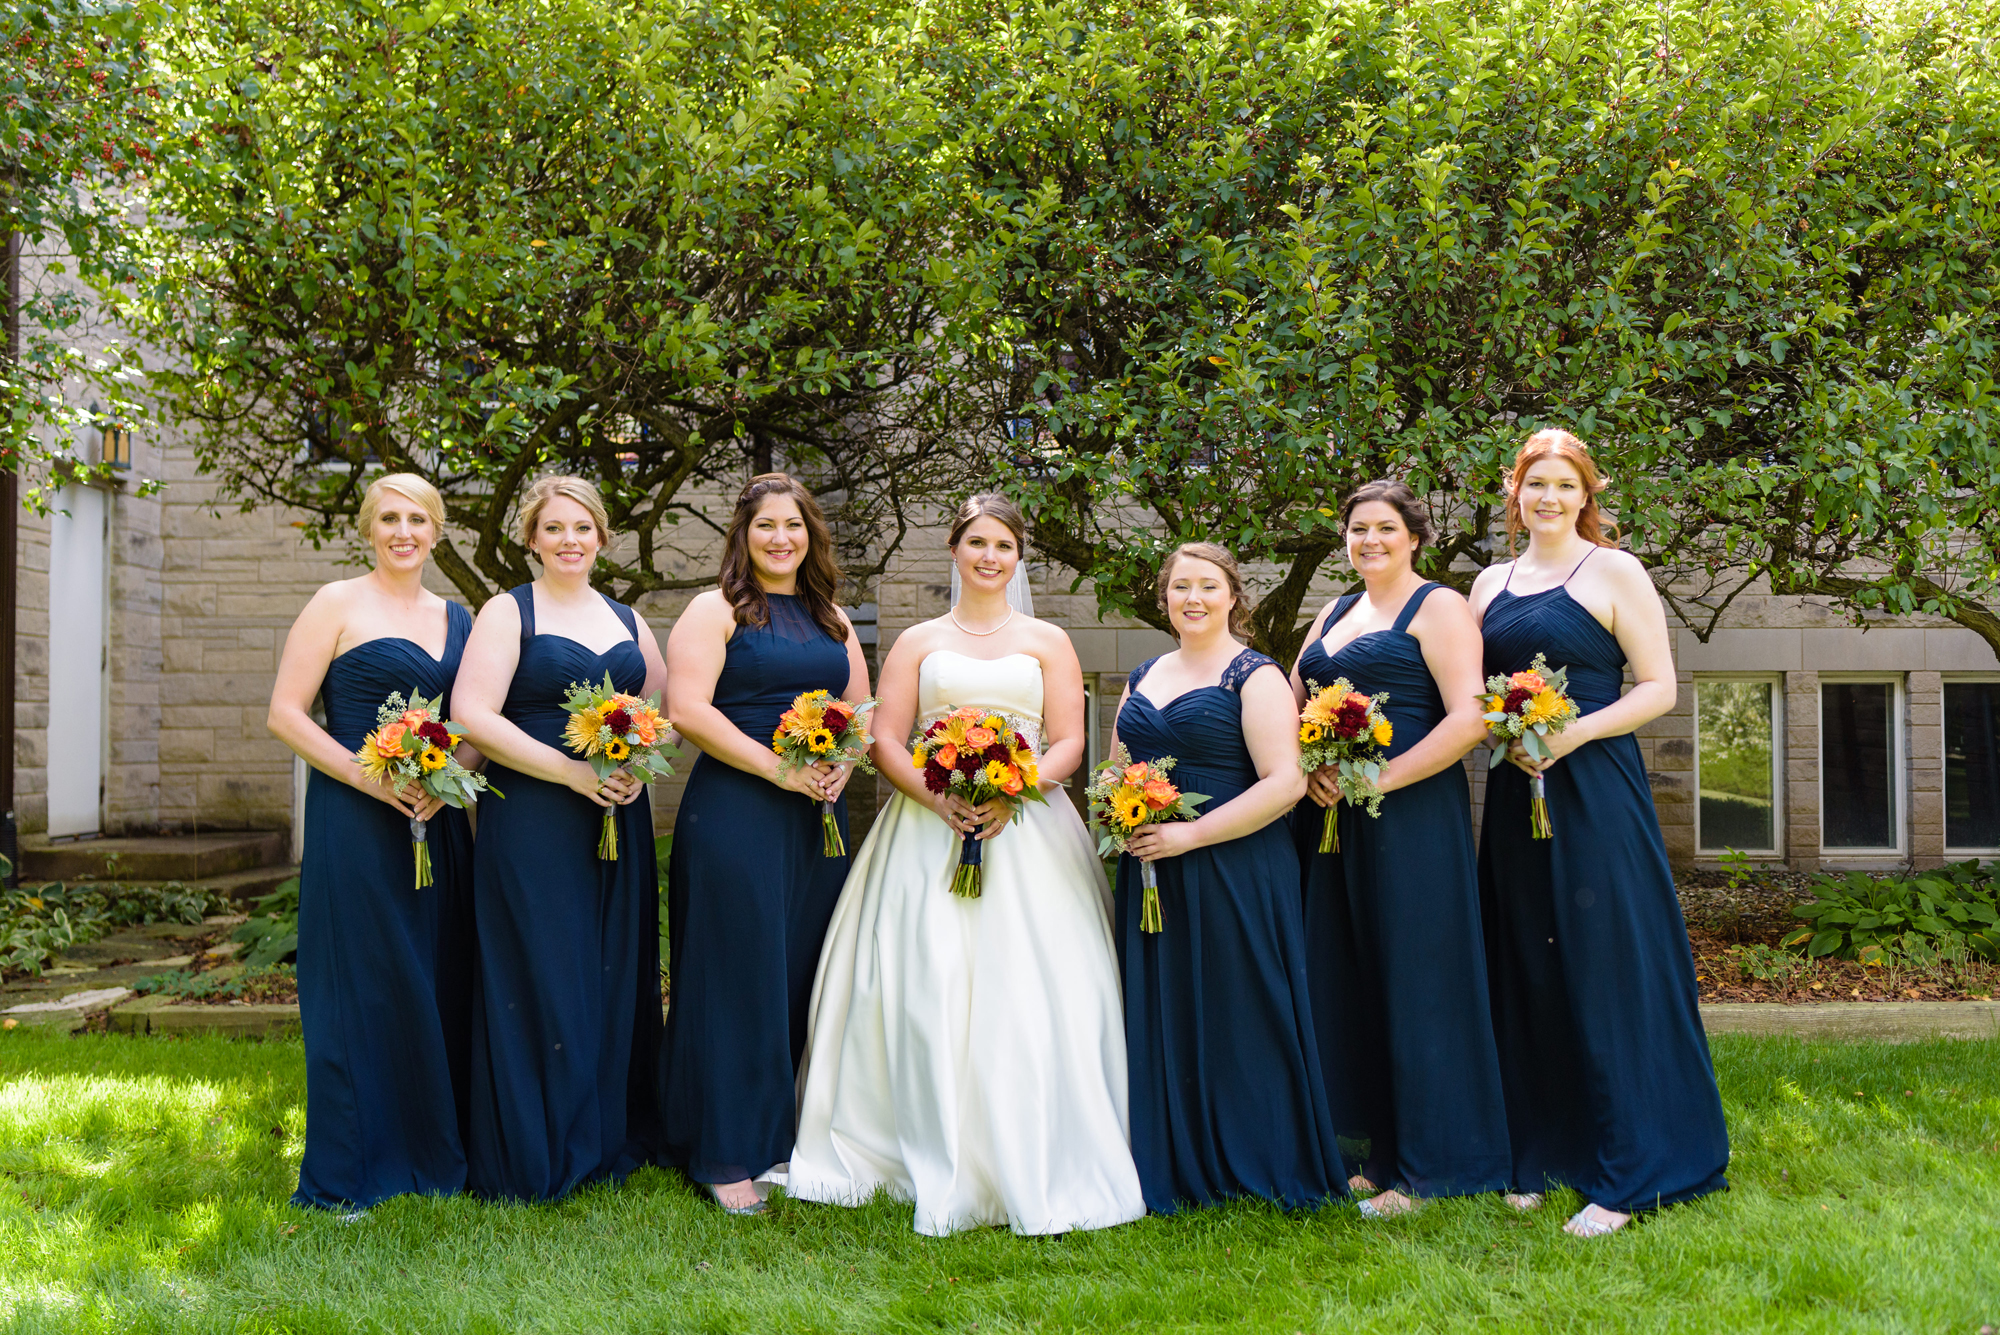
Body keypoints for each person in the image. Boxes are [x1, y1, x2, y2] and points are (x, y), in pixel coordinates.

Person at [788, 494, 1145, 1236]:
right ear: (955, 549)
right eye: (976, 542)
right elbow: (887, 737)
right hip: (926, 823)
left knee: (1035, 983)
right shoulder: (920, 639)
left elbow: (1069, 742)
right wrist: (938, 798)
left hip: (1030, 826)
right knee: (925, 973)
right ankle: (900, 1138)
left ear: (1019, 558)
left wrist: (1017, 789)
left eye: (1003, 546)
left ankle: (1039, 1140)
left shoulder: (1048, 639)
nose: (989, 556)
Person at [1469, 429, 1730, 1237]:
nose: (1549, 497)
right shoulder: (1487, 583)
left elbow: (1658, 687)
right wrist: (1499, 733)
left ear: (1587, 494)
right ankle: (1541, 1150)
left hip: (1596, 787)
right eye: (1534, 483)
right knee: (1527, 962)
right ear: (1514, 492)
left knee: (1605, 961)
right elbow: (1473, 689)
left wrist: (1572, 734)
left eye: (1564, 484)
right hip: (1517, 791)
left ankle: (1630, 1168)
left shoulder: (1615, 571)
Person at [1289, 482, 1511, 1217]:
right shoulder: (1333, 610)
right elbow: (1292, 703)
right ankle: (1381, 1151)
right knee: (1355, 976)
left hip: (1412, 815)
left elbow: (1470, 717)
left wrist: (1377, 779)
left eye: (1386, 528)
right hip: (1334, 821)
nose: (1370, 540)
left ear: (1415, 536)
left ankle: (1435, 1165)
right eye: (1358, 529)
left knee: (1420, 981)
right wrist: (1313, 766)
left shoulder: (1439, 607)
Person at [658, 474, 871, 1216]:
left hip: (816, 818)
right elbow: (685, 709)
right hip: (737, 810)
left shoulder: (832, 616)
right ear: (742, 536)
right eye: (765, 526)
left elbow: (860, 710)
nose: (781, 538)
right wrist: (779, 768)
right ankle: (722, 1151)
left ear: (810, 534)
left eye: (794, 525)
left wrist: (842, 762)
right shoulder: (714, 610)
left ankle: (779, 1135)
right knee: (735, 977)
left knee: (799, 972)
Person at [452, 475, 667, 1202]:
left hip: (618, 815)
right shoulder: (508, 611)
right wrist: (571, 776)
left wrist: (634, 766)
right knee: (542, 970)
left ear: (602, 536)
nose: (569, 540)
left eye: (582, 527)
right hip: (535, 818)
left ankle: (605, 1133)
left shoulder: (630, 619)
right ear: (530, 539)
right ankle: (535, 1146)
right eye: (553, 529)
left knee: (611, 967)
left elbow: (656, 706)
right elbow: (475, 713)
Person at [267, 472, 476, 1214]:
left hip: (436, 817)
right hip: (354, 817)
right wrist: (372, 778)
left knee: (432, 977)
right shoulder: (336, 603)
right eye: (389, 516)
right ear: (367, 527)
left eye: (418, 518)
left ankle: (429, 1155)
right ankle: (349, 1171)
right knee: (357, 987)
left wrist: (445, 777)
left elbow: (475, 722)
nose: (403, 530)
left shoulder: (460, 620)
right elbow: (287, 715)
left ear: (438, 530)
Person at [1113, 543, 1343, 1213]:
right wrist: (1118, 815)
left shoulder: (1257, 673)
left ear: (1233, 596)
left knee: (1243, 1010)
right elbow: (1113, 768)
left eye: (1208, 586)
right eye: (1180, 585)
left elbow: (1286, 782)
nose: (1193, 597)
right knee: (1166, 1007)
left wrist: (1189, 833)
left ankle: (1255, 1156)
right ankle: (1172, 1153)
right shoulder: (1142, 674)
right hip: (1152, 869)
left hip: (1234, 863)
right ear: (1164, 598)